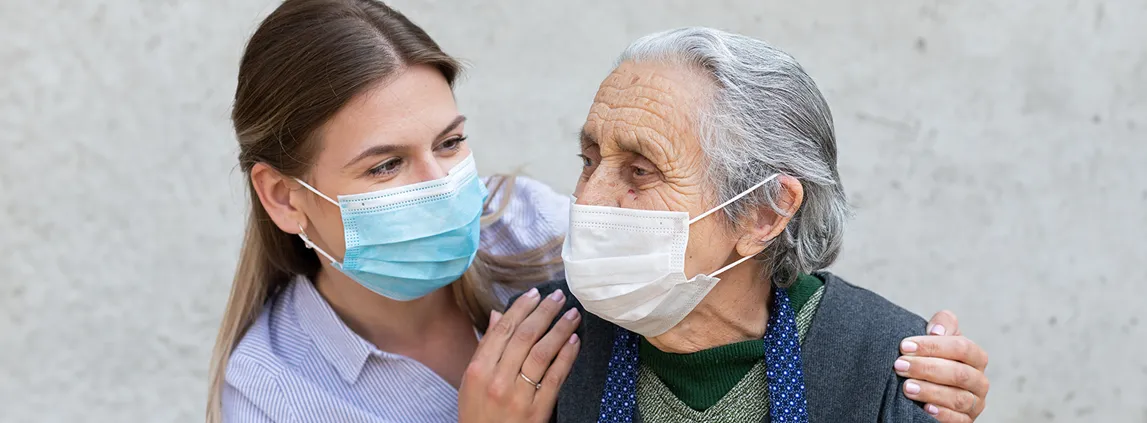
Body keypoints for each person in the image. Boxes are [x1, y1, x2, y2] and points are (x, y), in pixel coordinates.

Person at [207, 1, 989, 422]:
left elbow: (731, 264)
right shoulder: (271, 392)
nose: (591, 204)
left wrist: (918, 376)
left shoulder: (538, 233)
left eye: (450, 143)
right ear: (283, 195)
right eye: (385, 164)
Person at [489, 27, 991, 423]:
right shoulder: (539, 346)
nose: (588, 198)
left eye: (640, 172)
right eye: (589, 160)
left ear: (763, 213)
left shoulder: (889, 369)